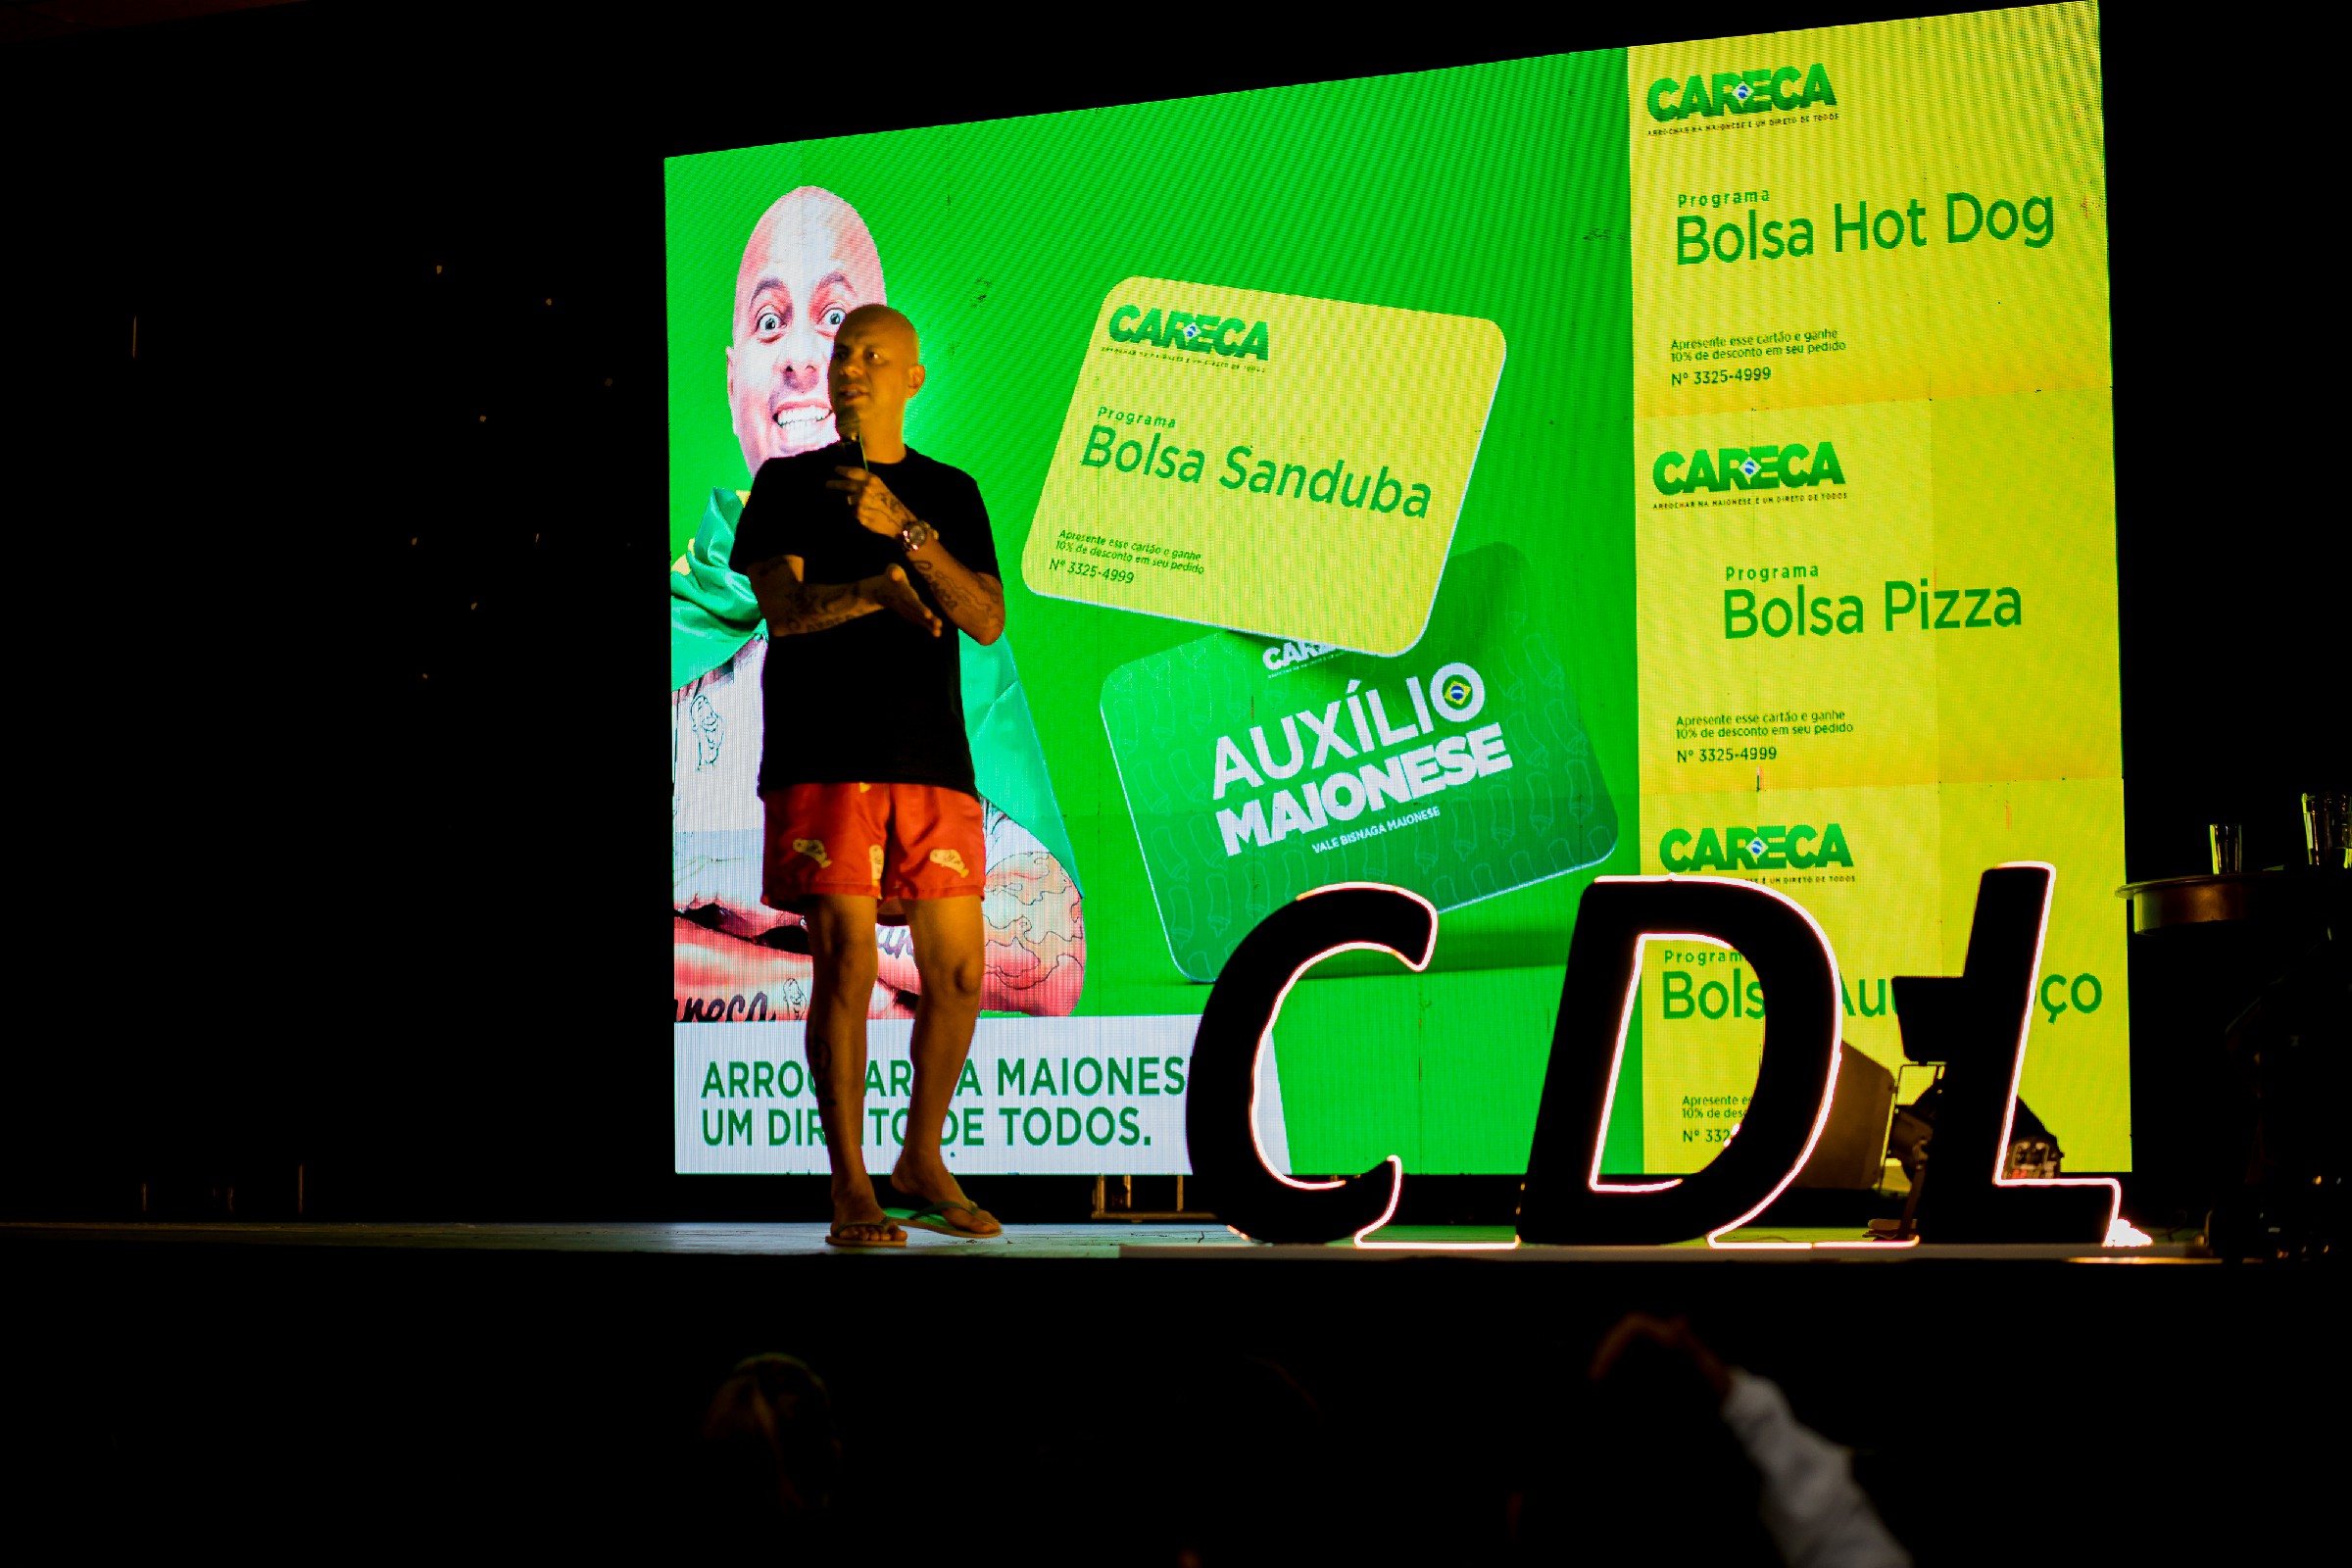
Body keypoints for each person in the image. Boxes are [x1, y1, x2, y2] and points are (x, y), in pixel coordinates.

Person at [671, 185, 1085, 1026]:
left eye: (835, 320)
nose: (800, 357)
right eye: (770, 322)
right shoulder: (679, 623)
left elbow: (1051, 955)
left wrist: (775, 904)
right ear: (733, 373)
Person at [731, 304, 1004, 1248]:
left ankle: (920, 1157)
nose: (852, 367)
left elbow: (984, 618)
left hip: (931, 759)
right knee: (846, 958)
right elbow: (786, 612)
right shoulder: (787, 482)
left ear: (912, 378)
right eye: (845, 353)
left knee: (958, 971)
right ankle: (850, 1185)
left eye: (874, 355)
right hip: (823, 755)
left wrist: (907, 534)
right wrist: (877, 592)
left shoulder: (949, 492)